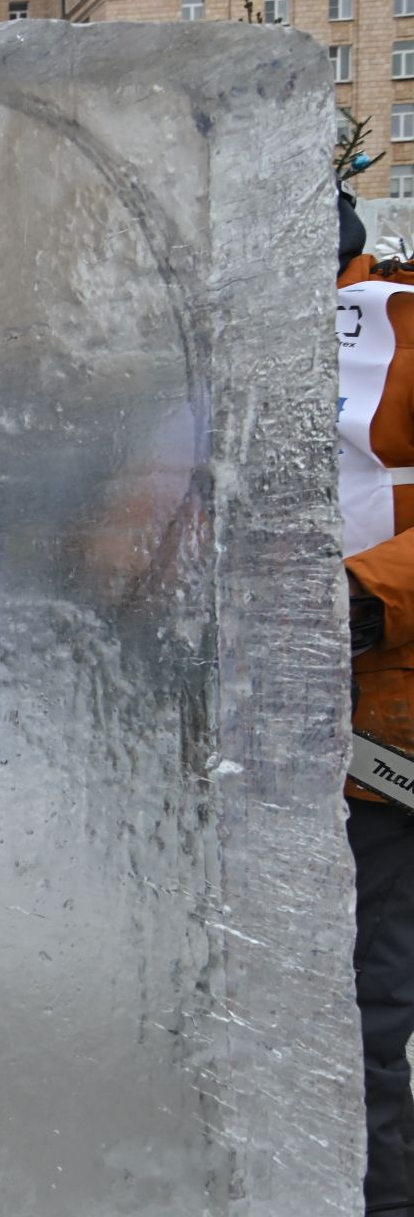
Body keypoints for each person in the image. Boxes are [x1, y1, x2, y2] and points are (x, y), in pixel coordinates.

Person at [338, 185, 414, 1216]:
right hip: (245, 753)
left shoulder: (399, 328)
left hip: (379, 742)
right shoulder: (205, 359)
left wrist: (362, 593)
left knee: (366, 1008)